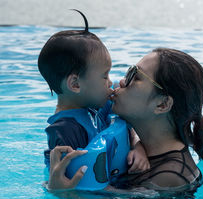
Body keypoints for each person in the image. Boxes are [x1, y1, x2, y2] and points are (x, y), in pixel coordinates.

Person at [48, 48, 203, 192]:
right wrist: (137, 144)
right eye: (129, 71)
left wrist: (62, 192)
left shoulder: (170, 177)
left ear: (162, 104)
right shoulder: (147, 148)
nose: (121, 81)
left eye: (136, 77)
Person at [38, 10, 149, 179]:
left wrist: (138, 146)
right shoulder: (66, 132)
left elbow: (126, 124)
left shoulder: (94, 105)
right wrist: (130, 196)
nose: (110, 82)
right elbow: (80, 188)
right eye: (104, 76)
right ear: (75, 84)